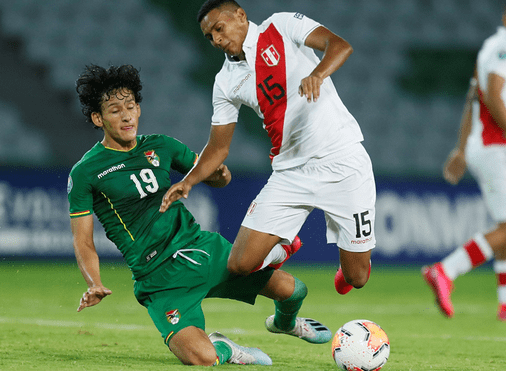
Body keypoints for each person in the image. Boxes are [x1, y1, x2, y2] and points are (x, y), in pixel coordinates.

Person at [68, 64, 332, 367]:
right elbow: (83, 241)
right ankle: (226, 348)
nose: (127, 115)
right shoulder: (86, 171)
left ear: (138, 109)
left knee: (294, 290)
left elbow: (218, 177)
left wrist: (216, 173)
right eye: (115, 110)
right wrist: (94, 282)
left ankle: (285, 323)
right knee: (202, 358)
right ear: (98, 118)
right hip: (159, 278)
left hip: (202, 248)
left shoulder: (162, 146)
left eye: (131, 106)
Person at [160, 0, 376, 296]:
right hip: (291, 172)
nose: (218, 40)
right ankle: (284, 248)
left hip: (343, 160)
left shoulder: (281, 25)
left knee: (358, 277)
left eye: (220, 29)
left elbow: (338, 45)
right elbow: (218, 148)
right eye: (210, 37)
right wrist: (189, 180)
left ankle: (346, 270)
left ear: (240, 16)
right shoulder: (225, 81)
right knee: (239, 264)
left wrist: (317, 74)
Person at [424, 0, 506, 322]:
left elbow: (472, 97)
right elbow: (492, 96)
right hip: (498, 147)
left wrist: (462, 148)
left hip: (490, 146)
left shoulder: (494, 47)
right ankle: (444, 270)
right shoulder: (505, 49)